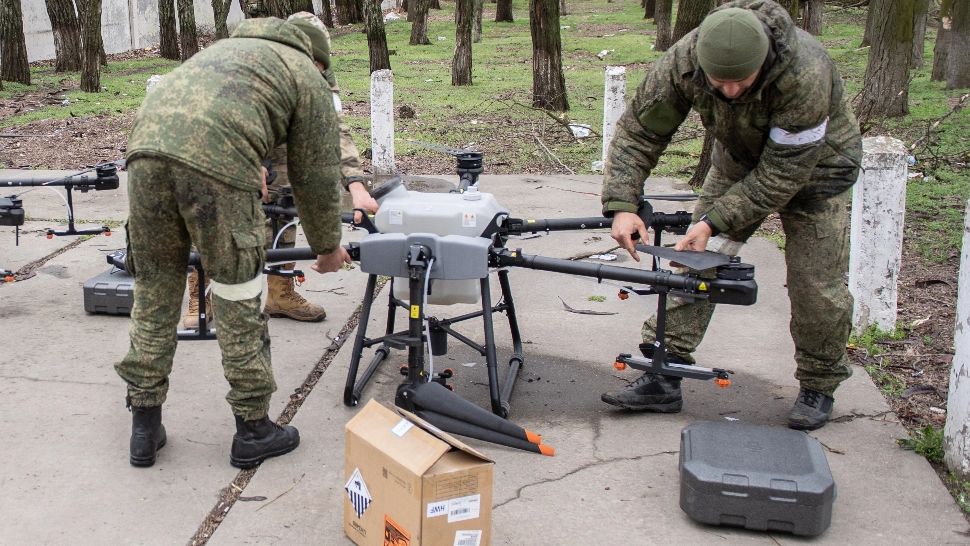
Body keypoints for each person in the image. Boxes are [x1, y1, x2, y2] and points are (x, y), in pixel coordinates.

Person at [599, 0, 862, 431]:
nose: (732, 91)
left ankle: (819, 384)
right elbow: (641, 130)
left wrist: (712, 221)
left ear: (764, 62)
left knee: (816, 285)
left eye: (742, 81)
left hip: (818, 172)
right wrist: (623, 204)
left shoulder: (805, 74)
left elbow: (781, 175)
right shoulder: (684, 62)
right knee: (694, 262)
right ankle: (665, 370)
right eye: (720, 82)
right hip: (738, 162)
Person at [116, 13, 347, 468]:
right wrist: (327, 245)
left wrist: (248, 164)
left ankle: (144, 426)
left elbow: (211, 119)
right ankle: (254, 429)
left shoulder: (225, 53)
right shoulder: (306, 74)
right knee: (238, 292)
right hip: (214, 168)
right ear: (319, 60)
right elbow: (316, 173)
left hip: (143, 155)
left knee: (154, 289)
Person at [181, 16, 377, 328]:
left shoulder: (319, 73)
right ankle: (200, 294)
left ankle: (280, 291)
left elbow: (332, 130)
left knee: (284, 201)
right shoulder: (245, 62)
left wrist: (356, 184)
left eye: (319, 66)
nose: (314, 72)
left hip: (272, 133)